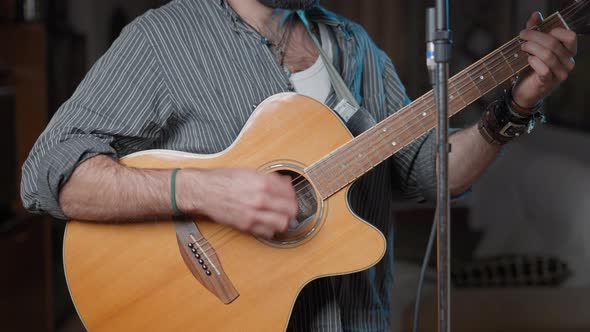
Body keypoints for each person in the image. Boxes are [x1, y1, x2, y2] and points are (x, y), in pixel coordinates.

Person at [21, 0, 577, 330]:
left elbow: (427, 173)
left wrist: (514, 106)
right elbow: (49, 172)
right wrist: (204, 191)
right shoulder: (163, 39)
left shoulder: (354, 46)